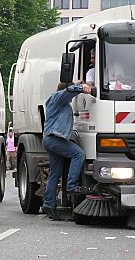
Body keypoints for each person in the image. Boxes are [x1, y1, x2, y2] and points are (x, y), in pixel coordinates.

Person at [41, 82, 92, 221]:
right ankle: (71, 186)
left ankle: (49, 204)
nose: (71, 98)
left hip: (50, 139)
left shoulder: (60, 102)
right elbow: (69, 90)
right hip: (54, 139)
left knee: (55, 173)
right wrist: (81, 88)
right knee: (79, 154)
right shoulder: (58, 97)